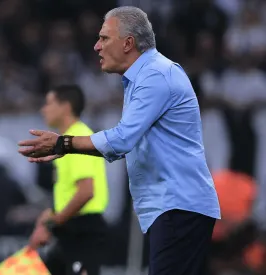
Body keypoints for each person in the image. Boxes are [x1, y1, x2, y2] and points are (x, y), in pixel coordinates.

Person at [18, 6, 221, 275]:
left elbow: (122, 140)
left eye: (104, 38)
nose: (96, 46)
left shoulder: (155, 76)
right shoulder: (145, 77)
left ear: (128, 43)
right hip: (175, 207)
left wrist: (63, 144)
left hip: (177, 204)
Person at [29, 84, 109, 275]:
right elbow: (71, 191)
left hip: (83, 231)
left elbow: (86, 191)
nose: (43, 109)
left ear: (65, 106)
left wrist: (52, 223)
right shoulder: (68, 140)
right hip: (70, 231)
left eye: (48, 103)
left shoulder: (78, 138)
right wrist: (49, 215)